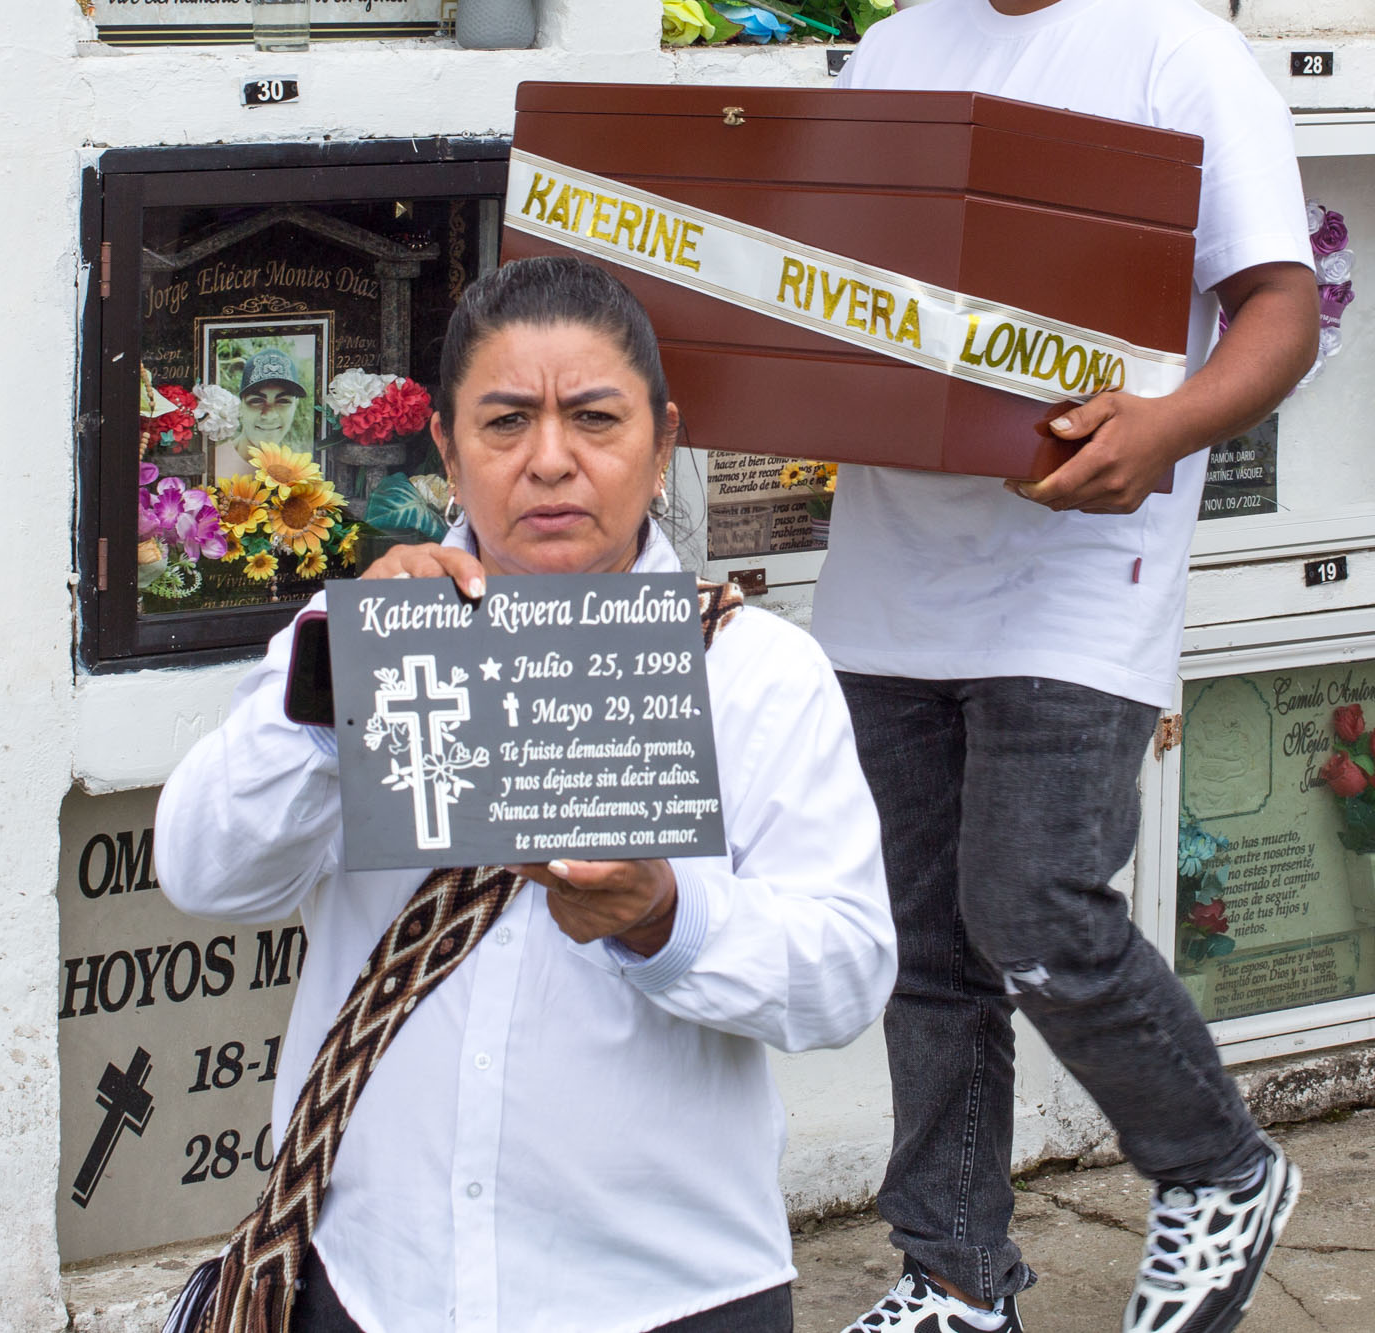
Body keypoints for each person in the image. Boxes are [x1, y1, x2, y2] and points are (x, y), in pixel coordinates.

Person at [158, 256, 897, 1333]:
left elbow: (845, 973)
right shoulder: (355, 637)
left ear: (662, 443)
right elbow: (202, 872)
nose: (550, 460)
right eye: (505, 424)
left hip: (660, 1295)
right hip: (366, 1282)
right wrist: (332, 691)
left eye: (594, 419)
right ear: (448, 455)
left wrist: (665, 918)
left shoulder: (757, 676)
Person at [816, 3, 1321, 1332]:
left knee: (1034, 909)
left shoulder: (1178, 52)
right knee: (922, 946)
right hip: (891, 565)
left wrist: (1167, 426)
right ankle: (955, 1273)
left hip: (1083, 564)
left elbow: (1280, 309)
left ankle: (1220, 1163)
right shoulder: (894, 48)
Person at [212, 346, 308, 480]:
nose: (269, 415)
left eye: (283, 401)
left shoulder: (300, 472)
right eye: (256, 401)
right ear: (240, 406)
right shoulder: (214, 463)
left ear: (295, 406)